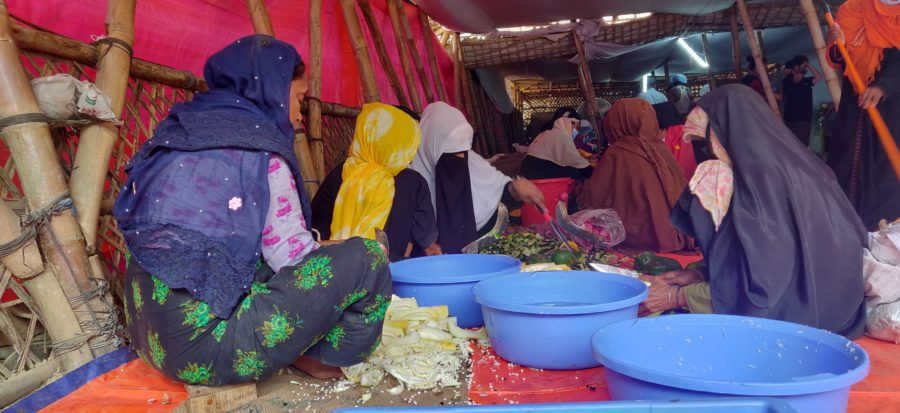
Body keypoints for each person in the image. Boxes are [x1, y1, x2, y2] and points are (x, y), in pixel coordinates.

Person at [114, 35, 391, 385]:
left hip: (151, 339)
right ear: (273, 92)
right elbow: (295, 260)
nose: (298, 113)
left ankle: (298, 349)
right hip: (208, 352)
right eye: (298, 98)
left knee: (244, 255)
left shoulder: (177, 136)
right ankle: (323, 356)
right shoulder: (259, 152)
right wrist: (346, 249)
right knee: (366, 258)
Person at [640, 85, 867, 339]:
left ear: (727, 133)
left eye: (706, 142)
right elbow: (771, 256)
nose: (707, 154)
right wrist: (701, 272)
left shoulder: (761, 186)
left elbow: (762, 290)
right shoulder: (795, 164)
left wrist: (676, 297)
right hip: (838, 300)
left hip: (807, 313)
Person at [411, 101, 547, 254]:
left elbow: (498, 189)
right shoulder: (410, 176)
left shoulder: (470, 160)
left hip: (477, 254)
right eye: (453, 154)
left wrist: (515, 188)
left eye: (464, 152)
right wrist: (425, 243)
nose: (461, 157)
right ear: (432, 144)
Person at [311, 104, 441, 261]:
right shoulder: (413, 182)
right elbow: (425, 237)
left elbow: (314, 232)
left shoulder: (339, 174)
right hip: (388, 275)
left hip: (332, 273)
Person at [578, 98, 690, 252]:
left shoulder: (617, 152)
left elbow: (594, 197)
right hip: (679, 234)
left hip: (640, 243)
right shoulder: (660, 147)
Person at [826, 0, 900, 230]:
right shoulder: (852, 9)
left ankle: (885, 228)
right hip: (855, 105)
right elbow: (840, 58)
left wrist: (883, 87)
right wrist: (838, 43)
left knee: (885, 168)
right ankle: (849, 228)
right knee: (848, 161)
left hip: (893, 106)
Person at [521, 107, 592, 181]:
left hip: (528, 168)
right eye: (576, 128)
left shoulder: (547, 132)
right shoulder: (561, 135)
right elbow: (575, 161)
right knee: (574, 173)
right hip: (536, 171)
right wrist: (592, 171)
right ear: (568, 123)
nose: (577, 131)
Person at [781, 55, 822, 146]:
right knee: (796, 145)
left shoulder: (805, 81)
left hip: (805, 118)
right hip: (795, 118)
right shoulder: (788, 80)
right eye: (804, 66)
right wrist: (792, 71)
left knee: (804, 145)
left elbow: (818, 77)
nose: (805, 69)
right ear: (796, 66)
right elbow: (797, 77)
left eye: (806, 66)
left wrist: (809, 65)